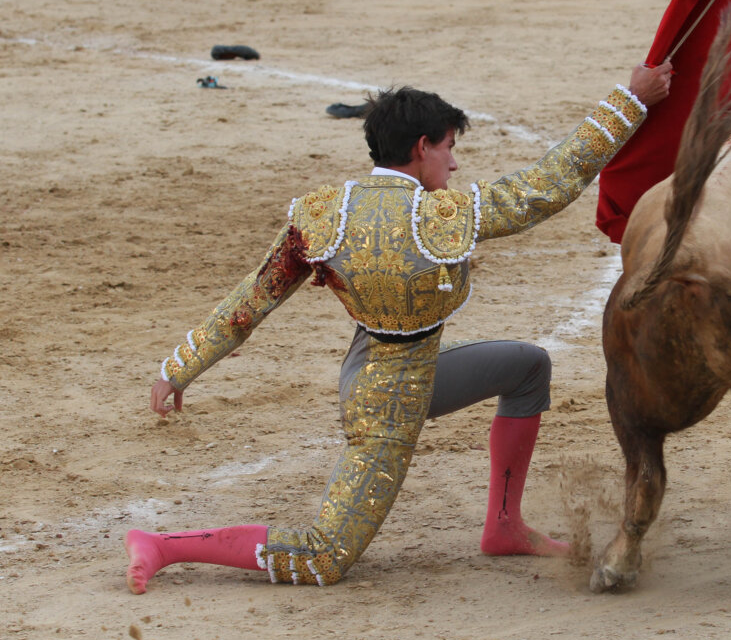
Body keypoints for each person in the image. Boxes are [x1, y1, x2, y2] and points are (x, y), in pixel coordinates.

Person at [125, 61, 672, 592]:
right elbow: (551, 182)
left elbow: (253, 299)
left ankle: (504, 527)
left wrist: (179, 367)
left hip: (386, 365)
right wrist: (629, 103)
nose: (453, 164)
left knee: (527, 367)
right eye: (449, 147)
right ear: (422, 147)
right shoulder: (444, 215)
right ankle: (164, 545)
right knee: (324, 556)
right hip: (385, 405)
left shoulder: (324, 214)